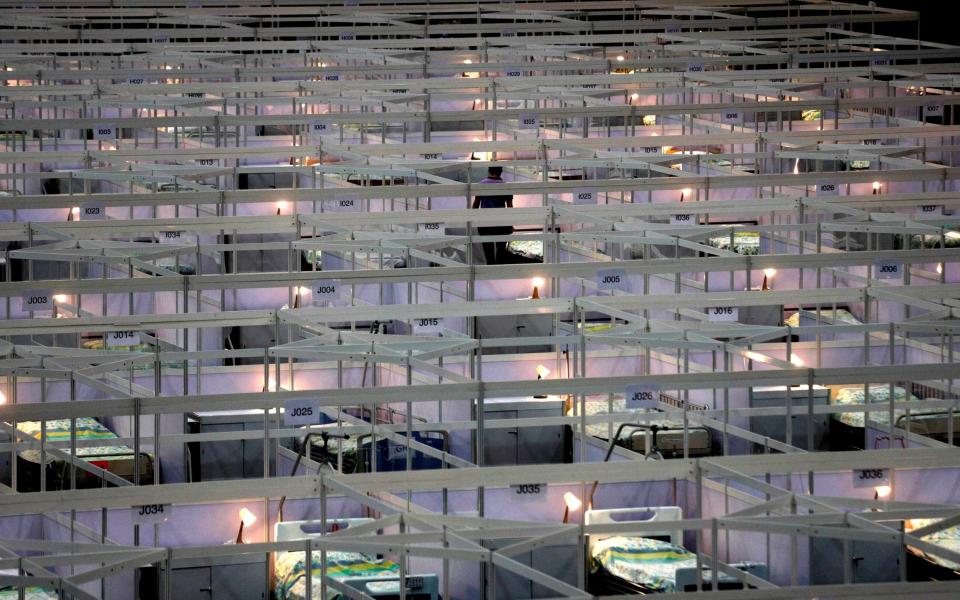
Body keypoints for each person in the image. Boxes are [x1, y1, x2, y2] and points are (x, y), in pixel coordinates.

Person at [472, 165, 514, 265]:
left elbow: (476, 204)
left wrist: (472, 218)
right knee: (501, 251)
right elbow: (510, 207)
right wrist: (511, 223)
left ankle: (490, 271)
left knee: (488, 252)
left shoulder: (481, 184)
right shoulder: (506, 186)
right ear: (501, 172)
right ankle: (499, 274)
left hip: (485, 223)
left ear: (489, 171)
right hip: (502, 223)